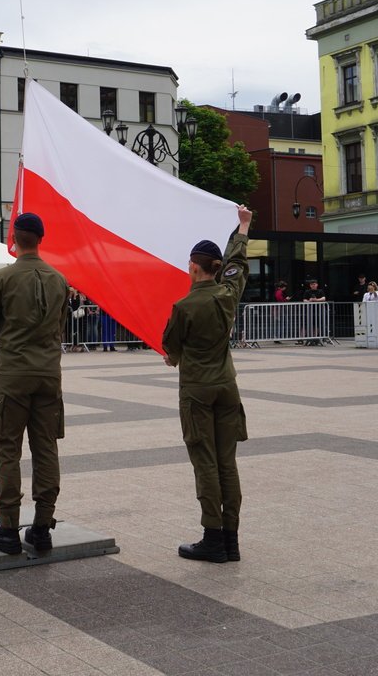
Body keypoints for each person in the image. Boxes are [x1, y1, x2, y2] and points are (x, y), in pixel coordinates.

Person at [0, 212, 69, 554]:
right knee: (46, 449)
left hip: (14, 375)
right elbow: (60, 325)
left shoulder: (2, 278)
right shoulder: (59, 280)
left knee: (7, 449)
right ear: (41, 239)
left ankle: (9, 528)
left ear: (14, 239)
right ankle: (42, 527)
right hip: (48, 375)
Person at [162, 205, 253, 564]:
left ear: (194, 267)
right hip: (226, 386)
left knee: (205, 463)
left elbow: (171, 350)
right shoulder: (228, 294)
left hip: (197, 390)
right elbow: (238, 264)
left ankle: (212, 537)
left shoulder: (183, 307)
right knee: (227, 463)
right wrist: (243, 227)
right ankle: (231, 539)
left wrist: (173, 357)